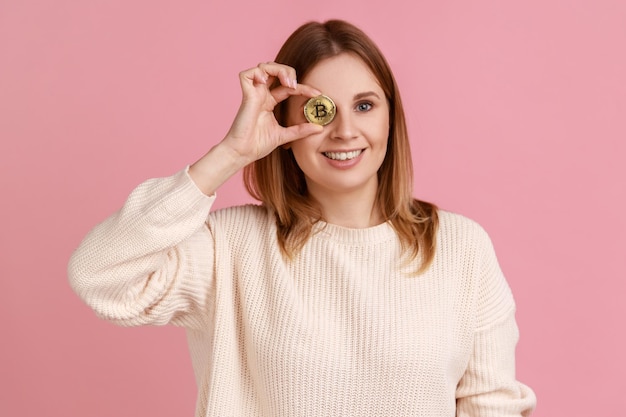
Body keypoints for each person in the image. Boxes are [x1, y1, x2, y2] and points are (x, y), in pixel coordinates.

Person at [68, 19, 536, 417]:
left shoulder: (460, 247)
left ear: (391, 119)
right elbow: (101, 276)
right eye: (321, 111)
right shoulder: (229, 249)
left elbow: (491, 405)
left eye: (365, 105)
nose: (345, 131)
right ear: (284, 128)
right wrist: (231, 153)